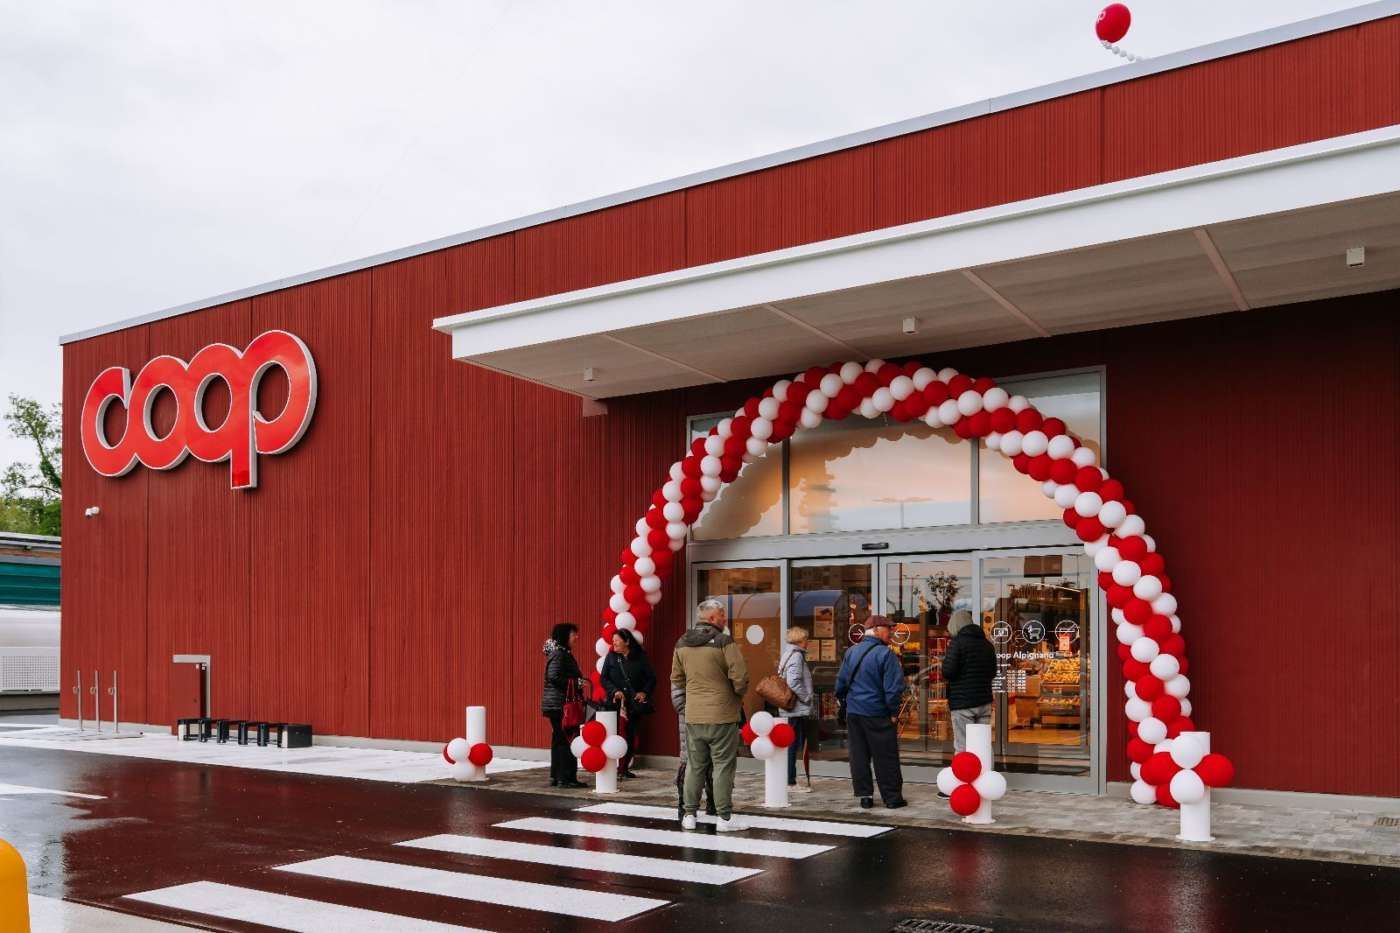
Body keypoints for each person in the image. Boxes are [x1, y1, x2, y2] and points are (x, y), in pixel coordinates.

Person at [671, 597, 749, 831]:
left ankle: (689, 815)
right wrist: (736, 695)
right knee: (723, 765)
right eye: (722, 615)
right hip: (722, 714)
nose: (725, 619)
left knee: (695, 766)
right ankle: (724, 817)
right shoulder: (724, 641)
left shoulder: (682, 642)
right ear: (713, 618)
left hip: (694, 715)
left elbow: (676, 678)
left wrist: (693, 695)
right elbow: (740, 677)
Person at [835, 615, 908, 810]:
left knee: (859, 755)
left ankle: (865, 796)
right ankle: (892, 798)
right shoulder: (886, 654)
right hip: (878, 712)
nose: (891, 632)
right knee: (886, 757)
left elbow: (840, 683)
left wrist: (845, 702)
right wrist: (893, 712)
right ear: (875, 630)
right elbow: (893, 688)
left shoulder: (851, 652)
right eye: (888, 628)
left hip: (854, 713)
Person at [600, 628, 656, 779]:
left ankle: (623, 768)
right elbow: (604, 678)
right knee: (613, 734)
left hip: (633, 704)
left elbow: (651, 678)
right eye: (613, 641)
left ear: (627, 641)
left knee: (630, 735)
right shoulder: (611, 657)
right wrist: (614, 691)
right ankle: (611, 767)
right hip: (614, 704)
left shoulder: (640, 657)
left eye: (617, 640)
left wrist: (644, 692)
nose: (614, 643)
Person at [943, 611, 997, 757]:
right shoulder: (987, 644)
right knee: (983, 745)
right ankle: (986, 771)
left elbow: (948, 672)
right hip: (984, 702)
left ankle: (964, 772)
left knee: (962, 747)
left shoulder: (957, 643)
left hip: (962, 703)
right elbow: (992, 673)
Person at [541, 622, 587, 789]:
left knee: (559, 740)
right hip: (561, 705)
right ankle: (566, 778)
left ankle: (557, 776)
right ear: (564, 636)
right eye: (573, 634)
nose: (576, 637)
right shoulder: (560, 654)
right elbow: (553, 676)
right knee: (566, 740)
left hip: (556, 705)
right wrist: (577, 682)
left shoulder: (560, 653)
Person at [778, 626, 815, 792]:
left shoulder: (788, 654)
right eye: (806, 639)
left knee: (791, 743)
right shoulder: (797, 656)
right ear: (800, 640)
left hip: (790, 706)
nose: (808, 642)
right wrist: (806, 697)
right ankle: (790, 782)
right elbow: (793, 682)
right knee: (791, 744)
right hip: (795, 707)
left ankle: (788, 779)